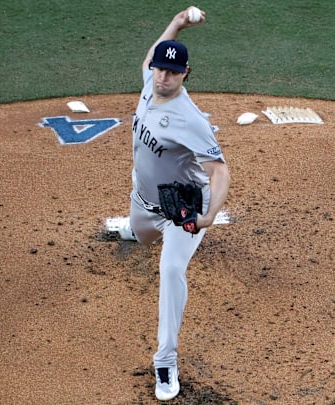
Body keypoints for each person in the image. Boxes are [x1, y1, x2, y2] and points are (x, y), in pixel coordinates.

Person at [121, 6, 230, 401]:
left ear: (186, 74)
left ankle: (165, 360)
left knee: (170, 269)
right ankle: (136, 229)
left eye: (172, 72)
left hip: (181, 210)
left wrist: (208, 216)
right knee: (139, 234)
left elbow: (220, 171)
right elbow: (152, 55)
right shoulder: (150, 84)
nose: (163, 77)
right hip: (145, 200)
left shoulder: (192, 119)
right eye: (159, 70)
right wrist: (178, 25)